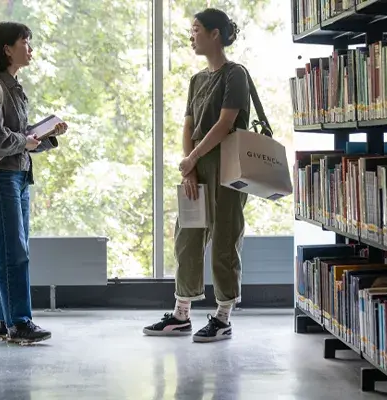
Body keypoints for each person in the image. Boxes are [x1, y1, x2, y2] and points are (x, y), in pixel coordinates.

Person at [143, 8, 251, 343]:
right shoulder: (196, 80)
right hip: (197, 166)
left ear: (215, 34)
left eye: (196, 29)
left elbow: (225, 124)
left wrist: (192, 157)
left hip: (228, 168)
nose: (191, 36)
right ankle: (181, 314)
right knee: (187, 238)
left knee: (224, 239)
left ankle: (223, 316)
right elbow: (188, 125)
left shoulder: (235, 75)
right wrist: (188, 167)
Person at [0, 21, 68, 344]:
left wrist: (46, 136)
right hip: (4, 177)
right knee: (15, 252)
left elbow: (20, 139)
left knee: (10, 250)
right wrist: (23, 142)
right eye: (24, 42)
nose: (30, 47)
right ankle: (20, 322)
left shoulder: (13, 85)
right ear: (6, 49)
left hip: (20, 176)